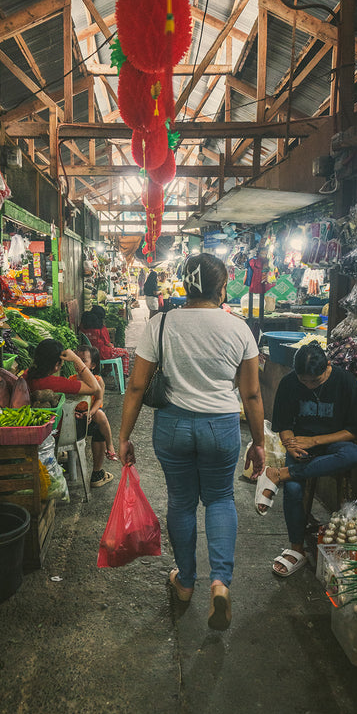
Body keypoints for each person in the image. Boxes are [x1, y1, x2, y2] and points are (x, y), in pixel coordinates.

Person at [119, 253, 266, 631]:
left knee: (182, 502)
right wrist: (259, 442)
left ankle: (185, 582)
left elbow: (136, 386)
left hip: (173, 428)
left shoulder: (161, 323)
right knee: (220, 499)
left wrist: (123, 436)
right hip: (221, 428)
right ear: (222, 288)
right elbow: (251, 395)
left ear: (185, 285)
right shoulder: (239, 329)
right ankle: (220, 583)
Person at [255, 341, 357, 577]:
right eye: (303, 380)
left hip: (332, 444)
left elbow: (353, 431)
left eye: (314, 381)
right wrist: (290, 444)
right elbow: (284, 424)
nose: (308, 385)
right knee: (294, 489)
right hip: (300, 447)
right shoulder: (289, 382)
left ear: (328, 366)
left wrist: (314, 441)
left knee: (354, 453)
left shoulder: (345, 382)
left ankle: (280, 474)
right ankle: (296, 549)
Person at [25, 340, 112, 488]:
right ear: (56, 365)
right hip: (57, 433)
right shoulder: (55, 383)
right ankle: (97, 474)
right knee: (98, 427)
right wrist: (77, 360)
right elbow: (96, 389)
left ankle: (66, 457)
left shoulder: (27, 375)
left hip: (38, 429)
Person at [68, 344, 119, 487]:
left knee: (100, 416)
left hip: (90, 415)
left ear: (93, 365)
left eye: (83, 360)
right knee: (98, 423)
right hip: (74, 419)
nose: (79, 363)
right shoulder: (71, 379)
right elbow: (67, 400)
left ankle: (110, 445)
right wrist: (74, 412)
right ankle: (97, 474)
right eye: (77, 359)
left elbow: (99, 400)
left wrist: (90, 413)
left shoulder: (98, 380)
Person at [80, 305, 130, 376]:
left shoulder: (82, 328)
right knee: (125, 353)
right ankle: (125, 373)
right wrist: (112, 346)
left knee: (110, 351)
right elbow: (107, 343)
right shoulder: (101, 329)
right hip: (103, 353)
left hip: (90, 354)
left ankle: (107, 370)